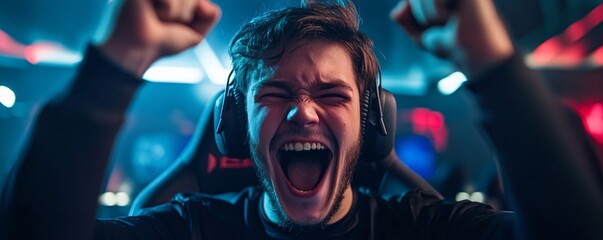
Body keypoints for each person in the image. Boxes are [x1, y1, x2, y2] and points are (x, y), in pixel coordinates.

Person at [4, 0, 602, 239]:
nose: (302, 111)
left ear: (367, 125)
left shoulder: (424, 232)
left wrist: (495, 67)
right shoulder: (192, 231)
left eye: (333, 96)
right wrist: (114, 66)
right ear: (236, 126)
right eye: (276, 92)